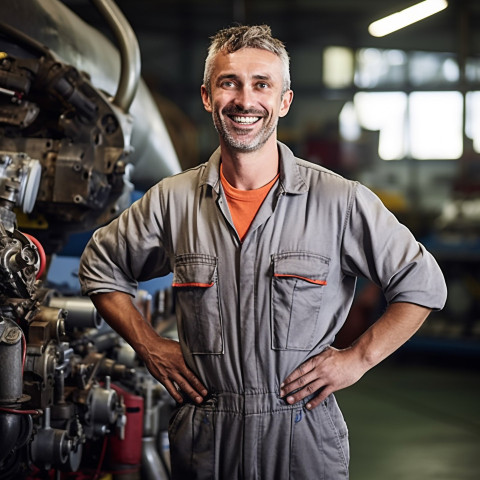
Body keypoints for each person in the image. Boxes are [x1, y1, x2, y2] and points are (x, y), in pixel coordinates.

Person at [79, 25, 447, 479]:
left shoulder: (340, 201)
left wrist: (357, 358)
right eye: (228, 82)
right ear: (207, 97)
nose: (244, 100)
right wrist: (148, 345)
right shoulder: (171, 201)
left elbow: (423, 284)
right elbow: (100, 267)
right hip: (208, 435)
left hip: (302, 432)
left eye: (262, 84)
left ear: (284, 101)